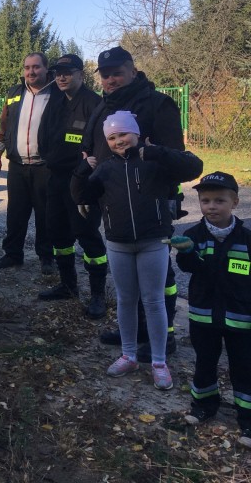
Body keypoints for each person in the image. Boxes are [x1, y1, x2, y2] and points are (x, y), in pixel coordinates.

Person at [71, 110, 202, 390]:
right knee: (125, 300)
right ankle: (128, 355)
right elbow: (82, 195)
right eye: (113, 137)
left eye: (124, 134)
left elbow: (194, 167)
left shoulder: (154, 161)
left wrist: (159, 152)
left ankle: (158, 362)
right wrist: (82, 170)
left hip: (153, 241)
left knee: (153, 301)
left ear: (137, 134)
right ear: (107, 141)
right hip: (118, 244)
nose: (120, 141)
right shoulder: (105, 169)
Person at [81, 46, 185, 361]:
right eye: (106, 74)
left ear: (132, 70)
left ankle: (164, 338)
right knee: (128, 279)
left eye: (117, 73)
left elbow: (177, 157)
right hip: (114, 201)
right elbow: (88, 150)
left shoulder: (156, 104)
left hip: (152, 204)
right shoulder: (102, 107)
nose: (111, 79)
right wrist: (81, 192)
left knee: (160, 280)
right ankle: (138, 331)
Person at [168, 172, 251, 448]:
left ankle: (247, 419)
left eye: (219, 200)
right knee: (205, 362)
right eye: (205, 201)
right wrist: (187, 252)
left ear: (235, 202)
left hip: (242, 321)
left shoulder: (247, 239)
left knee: (244, 367)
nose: (211, 206)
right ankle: (203, 405)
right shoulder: (193, 234)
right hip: (203, 316)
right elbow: (189, 268)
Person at [37, 54, 108, 318]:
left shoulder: (94, 104)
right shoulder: (57, 102)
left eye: (67, 72)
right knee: (57, 233)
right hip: (56, 179)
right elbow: (44, 135)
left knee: (86, 235)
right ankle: (68, 286)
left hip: (83, 182)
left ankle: (98, 295)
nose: (61, 77)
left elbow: (101, 148)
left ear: (81, 74)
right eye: (57, 73)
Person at [0, 52, 64, 275]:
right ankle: (13, 254)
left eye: (36, 67)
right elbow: (4, 126)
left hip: (45, 166)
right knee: (15, 212)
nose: (31, 72)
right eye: (27, 68)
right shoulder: (14, 93)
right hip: (17, 165)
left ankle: (46, 257)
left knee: (45, 213)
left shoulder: (58, 94)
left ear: (45, 69)